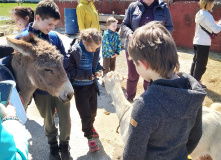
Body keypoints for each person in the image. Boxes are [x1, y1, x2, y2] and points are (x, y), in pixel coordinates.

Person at [122, 21, 206, 160]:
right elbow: (195, 135)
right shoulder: (193, 92)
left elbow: (133, 154)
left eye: (134, 63)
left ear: (144, 64)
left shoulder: (144, 105)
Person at [1, 0, 71, 159]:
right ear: (38, 18)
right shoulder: (23, 38)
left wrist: (66, 61)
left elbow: (63, 58)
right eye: (50, 24)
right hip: (41, 93)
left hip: (58, 84)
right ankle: (53, 146)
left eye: (54, 25)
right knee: (48, 120)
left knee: (65, 119)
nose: (52, 28)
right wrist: (12, 91)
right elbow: (4, 65)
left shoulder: (54, 36)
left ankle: (65, 146)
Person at [121, 0, 174, 103]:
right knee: (132, 75)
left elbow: (169, 27)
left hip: (153, 50)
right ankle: (129, 98)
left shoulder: (163, 7)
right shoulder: (133, 6)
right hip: (134, 47)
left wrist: (159, 36)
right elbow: (124, 25)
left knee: (150, 76)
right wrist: (130, 34)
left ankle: (149, 100)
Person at [67, 28, 103, 153]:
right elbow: (70, 71)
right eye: (92, 48)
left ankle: (91, 126)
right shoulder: (75, 52)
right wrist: (87, 75)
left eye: (96, 49)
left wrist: (98, 69)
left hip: (92, 86)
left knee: (93, 112)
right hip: (80, 88)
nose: (94, 51)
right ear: (84, 42)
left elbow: (96, 63)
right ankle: (89, 137)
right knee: (85, 114)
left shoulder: (94, 50)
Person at [190, 0, 221, 88]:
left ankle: (192, 78)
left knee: (196, 61)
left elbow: (207, 24)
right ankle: (196, 82)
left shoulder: (200, 13)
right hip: (203, 42)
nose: (214, 4)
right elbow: (216, 29)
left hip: (197, 41)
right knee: (201, 63)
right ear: (208, 3)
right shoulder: (207, 15)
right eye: (212, 3)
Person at [102, 17, 121, 85]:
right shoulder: (106, 34)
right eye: (113, 26)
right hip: (107, 55)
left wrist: (117, 52)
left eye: (116, 25)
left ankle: (111, 79)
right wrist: (112, 53)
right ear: (108, 26)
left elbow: (119, 43)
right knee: (106, 68)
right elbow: (107, 45)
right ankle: (105, 80)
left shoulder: (117, 34)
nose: (115, 27)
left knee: (112, 67)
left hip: (114, 55)